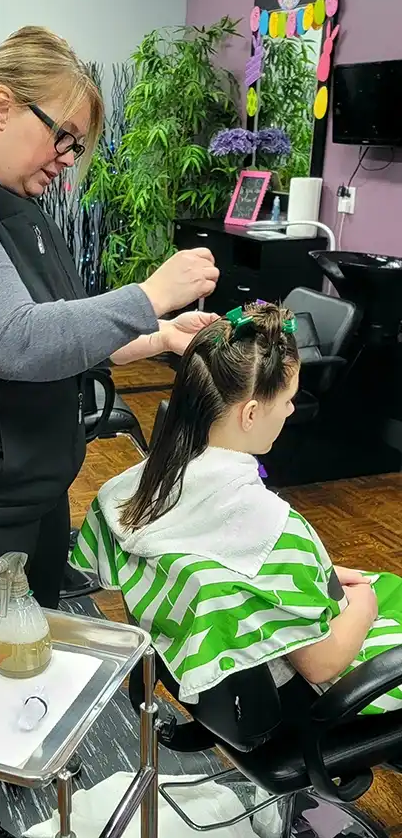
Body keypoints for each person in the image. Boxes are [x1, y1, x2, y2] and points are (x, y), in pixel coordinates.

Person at [0, 25, 221, 838]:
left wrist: (154, 339)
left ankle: (9, 760)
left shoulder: (15, 203)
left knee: (28, 642)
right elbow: (14, 341)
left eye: (79, 146)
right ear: (0, 104)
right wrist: (149, 295)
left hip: (26, 481)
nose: (68, 159)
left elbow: (59, 329)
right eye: (64, 137)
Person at [72, 301, 402, 715]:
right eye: (287, 399)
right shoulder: (277, 530)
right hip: (296, 701)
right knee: (383, 588)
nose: (291, 410)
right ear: (250, 413)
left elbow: (223, 565)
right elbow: (321, 664)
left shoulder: (129, 491)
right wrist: (365, 602)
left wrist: (314, 573)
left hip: (213, 682)